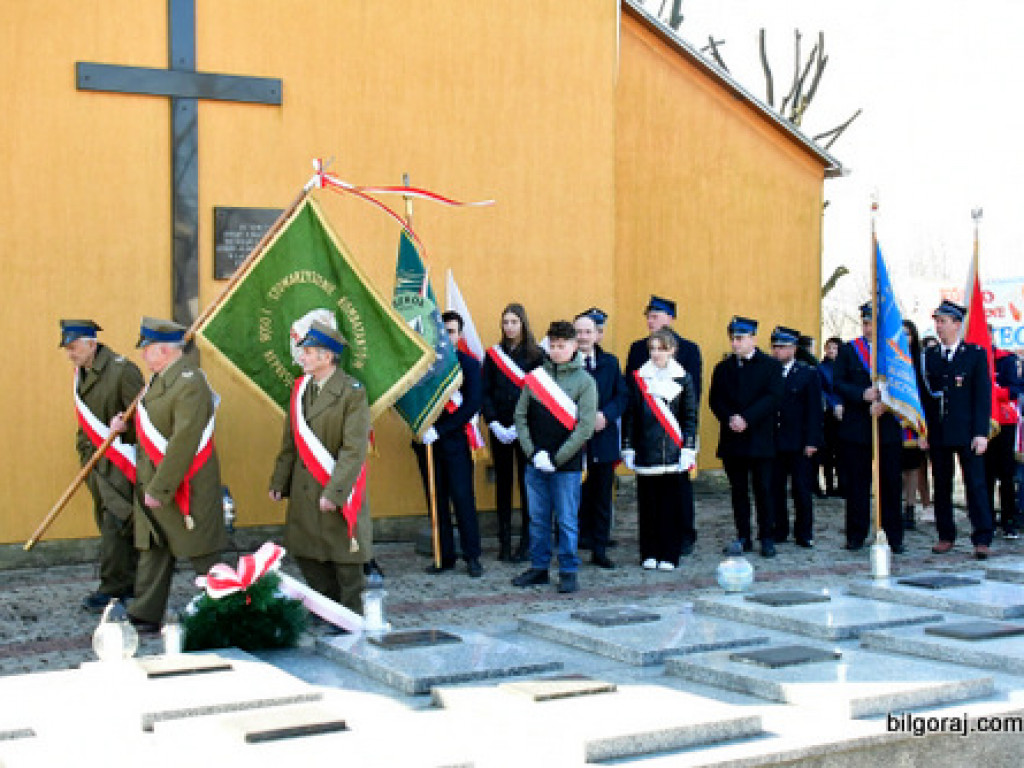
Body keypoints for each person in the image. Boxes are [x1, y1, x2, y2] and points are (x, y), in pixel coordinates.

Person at [113, 318, 226, 633]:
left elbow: (184, 440)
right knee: (154, 546)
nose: (143, 356)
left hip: (184, 484)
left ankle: (228, 609)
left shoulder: (190, 382)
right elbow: (155, 429)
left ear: (162, 350)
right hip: (158, 480)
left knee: (202, 553)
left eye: (146, 350)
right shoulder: (160, 379)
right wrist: (125, 431)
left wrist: (160, 488)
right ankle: (145, 611)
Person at [269, 321, 373, 613]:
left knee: (345, 561)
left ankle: (351, 618)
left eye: (308, 352)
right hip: (305, 490)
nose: (302, 357)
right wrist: (280, 481)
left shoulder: (352, 392)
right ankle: (328, 609)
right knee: (307, 553)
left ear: (327, 357)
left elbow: (354, 450)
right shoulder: (301, 389)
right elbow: (290, 440)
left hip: (337, 489)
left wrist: (335, 492)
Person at [60, 319, 143, 611]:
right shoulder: (80, 374)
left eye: (74, 347)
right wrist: (84, 452)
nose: (70, 353)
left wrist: (124, 430)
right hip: (95, 464)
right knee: (109, 522)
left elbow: (146, 421)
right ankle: (131, 582)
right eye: (67, 349)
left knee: (116, 523)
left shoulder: (122, 370)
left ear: (91, 343)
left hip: (120, 462)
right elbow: (85, 424)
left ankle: (113, 588)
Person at [511, 320, 597, 593]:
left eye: (563, 346)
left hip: (566, 465)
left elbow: (584, 427)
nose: (558, 351)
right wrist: (533, 452)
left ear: (574, 346)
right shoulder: (536, 378)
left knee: (567, 520)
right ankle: (539, 567)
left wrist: (557, 458)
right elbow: (520, 416)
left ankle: (569, 569)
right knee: (537, 518)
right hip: (535, 462)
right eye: (554, 346)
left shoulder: (585, 382)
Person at [920, 299, 994, 558]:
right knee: (941, 485)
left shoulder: (974, 354)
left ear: (957, 324)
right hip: (939, 432)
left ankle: (982, 536)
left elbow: (982, 397)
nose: (938, 327)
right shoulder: (928, 357)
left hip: (967, 431)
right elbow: (925, 399)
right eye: (937, 322)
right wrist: (923, 431)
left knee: (975, 484)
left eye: (943, 321)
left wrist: (981, 433)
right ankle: (945, 534)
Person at [621, 328, 698, 570]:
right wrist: (628, 447)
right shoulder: (640, 378)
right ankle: (649, 553)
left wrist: (688, 448)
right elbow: (631, 416)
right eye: (652, 349)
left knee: (670, 507)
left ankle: (669, 554)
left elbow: (690, 416)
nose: (656, 354)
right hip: (646, 451)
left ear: (672, 351)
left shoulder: (683, 378)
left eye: (661, 349)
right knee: (648, 507)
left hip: (672, 453)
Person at [832, 302, 905, 554]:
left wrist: (885, 402)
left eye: (872, 323)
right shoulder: (849, 350)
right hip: (857, 427)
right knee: (856, 485)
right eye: (864, 323)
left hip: (888, 426)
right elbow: (838, 382)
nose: (867, 328)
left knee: (890, 484)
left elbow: (904, 382)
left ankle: (893, 535)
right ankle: (856, 534)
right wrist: (861, 395)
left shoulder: (894, 350)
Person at [417, 311, 485, 577]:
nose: (447, 336)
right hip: (428, 444)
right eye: (443, 331)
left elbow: (471, 405)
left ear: (460, 334)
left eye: (452, 331)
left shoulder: (468, 365)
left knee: (463, 499)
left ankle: (472, 556)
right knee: (437, 502)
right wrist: (423, 428)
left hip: (456, 442)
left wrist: (441, 429)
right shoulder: (426, 366)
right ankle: (443, 556)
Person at [708, 316, 783, 558]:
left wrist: (747, 418)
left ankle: (767, 536)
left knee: (763, 489)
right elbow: (715, 399)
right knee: (738, 491)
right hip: (733, 439)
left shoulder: (770, 366)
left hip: (760, 438)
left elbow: (772, 398)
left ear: (753, 338)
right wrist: (730, 417)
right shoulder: (724, 367)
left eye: (740, 338)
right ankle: (744, 535)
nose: (735, 344)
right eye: (733, 338)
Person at [480, 302, 544, 562]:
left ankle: (527, 542)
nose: (509, 327)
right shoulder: (493, 355)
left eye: (514, 322)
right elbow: (486, 391)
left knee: (527, 486)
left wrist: (521, 426)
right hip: (500, 429)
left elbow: (539, 395)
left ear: (523, 324)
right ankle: (504, 542)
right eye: (505, 322)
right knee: (503, 485)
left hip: (525, 430)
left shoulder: (536, 356)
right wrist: (493, 421)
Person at [574, 309, 627, 568]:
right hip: (574, 441)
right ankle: (573, 546)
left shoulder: (611, 363)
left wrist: (606, 415)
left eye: (587, 332)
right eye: (579, 332)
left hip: (603, 437)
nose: (583, 337)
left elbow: (622, 395)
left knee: (602, 496)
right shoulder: (564, 364)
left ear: (597, 335)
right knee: (574, 497)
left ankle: (600, 548)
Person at [769, 326, 823, 548]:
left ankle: (804, 532)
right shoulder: (769, 372)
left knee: (801, 490)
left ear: (793, 348)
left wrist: (812, 441)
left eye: (782, 347)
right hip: (774, 441)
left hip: (799, 442)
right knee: (775, 489)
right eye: (774, 346)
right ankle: (779, 529)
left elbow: (814, 411)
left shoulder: (807, 373)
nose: (777, 351)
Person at [988, 336, 1023, 539]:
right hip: (982, 422)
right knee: (985, 476)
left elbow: (1015, 389)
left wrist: (993, 392)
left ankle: (1008, 521)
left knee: (1007, 475)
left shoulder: (1006, 359)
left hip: (1004, 422)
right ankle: (988, 520)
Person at [900, 319, 930, 530]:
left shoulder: (921, 361)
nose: (905, 338)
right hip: (892, 419)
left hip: (914, 422)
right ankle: (895, 506)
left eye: (908, 334)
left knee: (912, 468)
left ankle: (910, 507)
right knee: (893, 469)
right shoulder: (888, 360)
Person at [817, 336, 844, 498]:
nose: (831, 351)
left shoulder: (845, 367)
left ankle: (843, 484)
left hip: (845, 413)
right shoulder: (821, 368)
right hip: (828, 413)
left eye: (834, 348)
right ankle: (828, 485)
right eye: (829, 348)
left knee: (842, 452)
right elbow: (822, 390)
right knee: (827, 450)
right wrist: (834, 405)